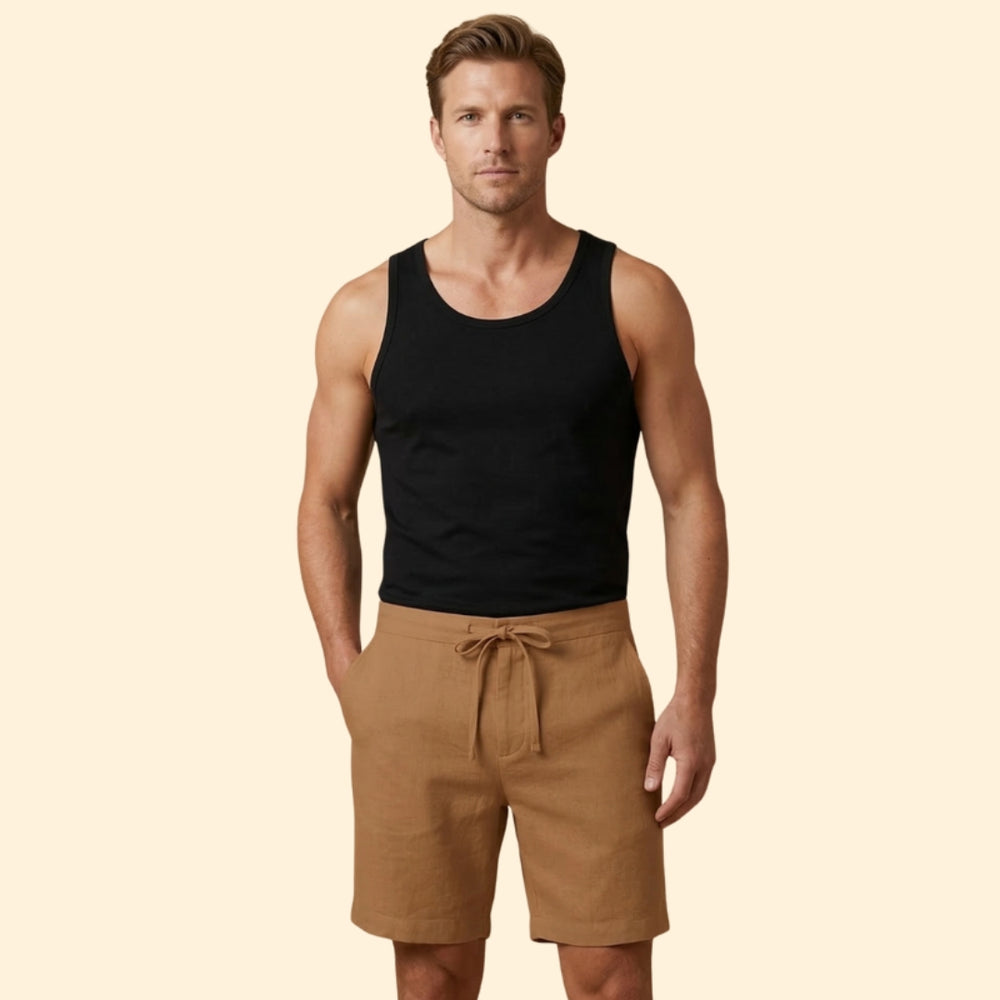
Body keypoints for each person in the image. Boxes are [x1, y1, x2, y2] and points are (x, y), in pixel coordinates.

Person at [297, 13, 728, 1000]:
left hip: (588, 676)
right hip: (415, 673)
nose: (495, 140)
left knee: (611, 975)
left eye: (519, 115)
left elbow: (690, 494)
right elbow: (325, 501)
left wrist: (695, 693)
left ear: (556, 130)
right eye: (471, 116)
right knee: (433, 977)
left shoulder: (634, 295)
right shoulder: (365, 309)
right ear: (436, 133)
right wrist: (349, 671)